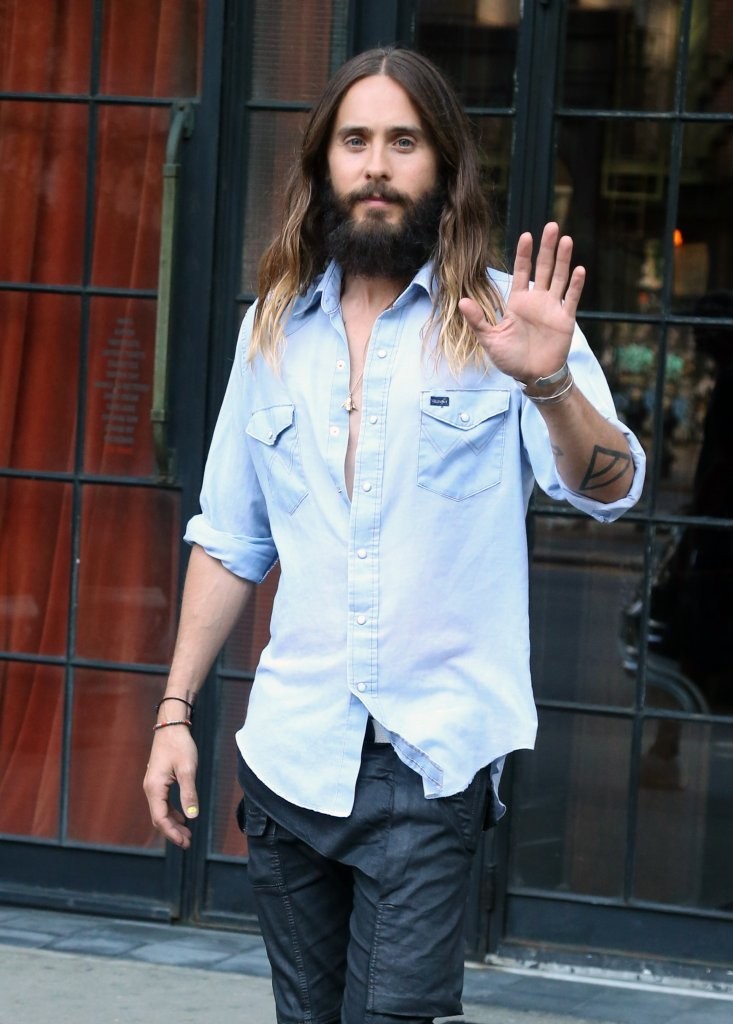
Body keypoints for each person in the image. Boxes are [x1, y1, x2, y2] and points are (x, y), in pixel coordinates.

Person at [144, 46, 645, 1024]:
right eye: (356, 140)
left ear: (443, 167)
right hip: (291, 758)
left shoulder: (509, 321)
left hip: (429, 761)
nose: (376, 164)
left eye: (403, 141)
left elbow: (610, 489)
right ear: (325, 165)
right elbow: (229, 539)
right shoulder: (272, 331)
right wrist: (173, 713)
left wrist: (547, 383)